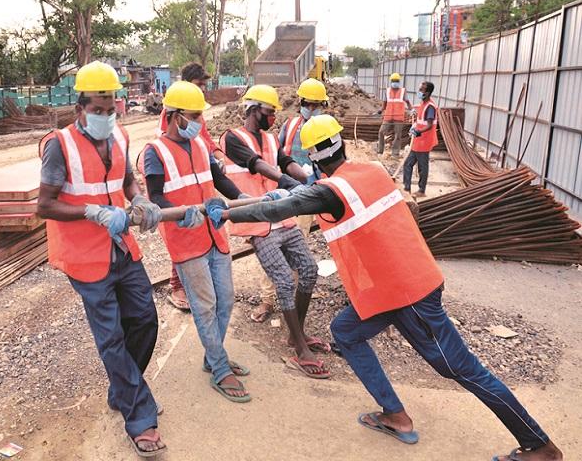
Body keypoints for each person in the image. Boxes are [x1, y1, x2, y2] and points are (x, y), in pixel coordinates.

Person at [207, 114, 563, 461]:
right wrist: (278, 196)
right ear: (341, 144)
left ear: (312, 157)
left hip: (410, 294)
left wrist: (226, 213)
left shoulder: (330, 192)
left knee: (463, 369)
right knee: (345, 331)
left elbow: (291, 205)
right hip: (392, 291)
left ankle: (540, 446)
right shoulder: (370, 172)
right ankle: (394, 414)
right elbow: (304, 196)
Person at [37, 61, 166, 457]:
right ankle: (139, 415)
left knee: (145, 318)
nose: (106, 117)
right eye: (97, 110)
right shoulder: (61, 144)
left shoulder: (120, 136)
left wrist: (140, 198)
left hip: (122, 247)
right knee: (110, 336)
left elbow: (126, 180)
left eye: (111, 109)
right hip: (85, 257)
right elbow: (45, 204)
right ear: (80, 108)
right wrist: (92, 211)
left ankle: (124, 391)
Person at [138, 80, 252, 403]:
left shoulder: (201, 144)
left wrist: (241, 197)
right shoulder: (154, 153)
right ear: (174, 116)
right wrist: (179, 212)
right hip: (186, 239)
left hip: (215, 233)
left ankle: (212, 356)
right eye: (193, 116)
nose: (199, 122)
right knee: (205, 306)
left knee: (226, 299)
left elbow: (217, 179)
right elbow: (155, 197)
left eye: (201, 116)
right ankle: (219, 367)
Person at [219, 84, 329, 378]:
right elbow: (257, 166)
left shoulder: (269, 138)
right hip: (257, 222)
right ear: (254, 110)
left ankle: (297, 334)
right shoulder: (232, 138)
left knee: (308, 270)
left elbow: (286, 162)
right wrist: (291, 184)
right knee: (282, 280)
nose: (272, 118)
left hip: (283, 216)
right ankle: (300, 350)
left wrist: (309, 179)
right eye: (269, 112)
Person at [154, 62, 225, 311]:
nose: (203, 91)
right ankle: (177, 286)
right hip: (181, 183)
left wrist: (214, 153)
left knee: (200, 230)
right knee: (180, 234)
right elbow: (172, 145)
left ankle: (198, 279)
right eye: (199, 85)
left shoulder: (194, 112)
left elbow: (202, 137)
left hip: (199, 179)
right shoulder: (175, 115)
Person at [278, 78, 328, 236]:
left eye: (316, 105)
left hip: (313, 188)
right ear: (301, 103)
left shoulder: (328, 127)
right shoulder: (290, 124)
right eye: (308, 104)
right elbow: (278, 151)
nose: (311, 108)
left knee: (299, 232)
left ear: (322, 106)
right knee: (285, 228)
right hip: (289, 185)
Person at [403, 81, 438, 198]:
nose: (419, 91)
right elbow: (420, 120)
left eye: (421, 90)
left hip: (424, 142)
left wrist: (419, 131)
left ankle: (421, 190)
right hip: (418, 141)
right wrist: (414, 126)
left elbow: (429, 125)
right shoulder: (423, 103)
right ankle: (406, 189)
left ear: (427, 92)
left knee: (422, 168)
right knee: (407, 164)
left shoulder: (430, 107)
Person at [376, 72, 413, 157]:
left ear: (399, 81)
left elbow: (408, 102)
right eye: (393, 80)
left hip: (399, 117)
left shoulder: (403, 91)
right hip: (388, 116)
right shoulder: (388, 91)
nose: (394, 82)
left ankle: (395, 153)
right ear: (391, 81)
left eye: (396, 81)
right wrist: (380, 110)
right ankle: (380, 151)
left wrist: (412, 109)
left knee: (398, 135)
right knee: (381, 132)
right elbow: (384, 103)